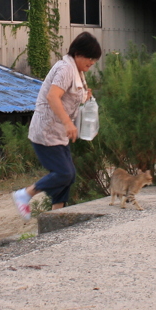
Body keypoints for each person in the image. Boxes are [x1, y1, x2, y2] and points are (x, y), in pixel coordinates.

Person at [13, 32, 102, 220]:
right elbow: (52, 96)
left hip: (59, 133)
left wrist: (84, 97)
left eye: (94, 60)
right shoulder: (65, 69)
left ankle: (57, 215)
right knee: (64, 173)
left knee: (69, 177)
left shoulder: (77, 71)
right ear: (78, 53)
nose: (92, 63)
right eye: (90, 58)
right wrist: (69, 123)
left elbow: (70, 96)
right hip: (46, 132)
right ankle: (25, 194)